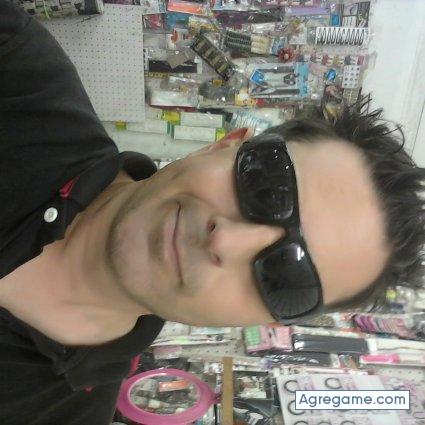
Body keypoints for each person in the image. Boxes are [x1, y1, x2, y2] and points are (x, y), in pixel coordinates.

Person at [0, 1, 424, 424]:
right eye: (267, 186)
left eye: (287, 275)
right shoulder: (15, 68)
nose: (227, 240)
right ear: (224, 145)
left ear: (262, 321)